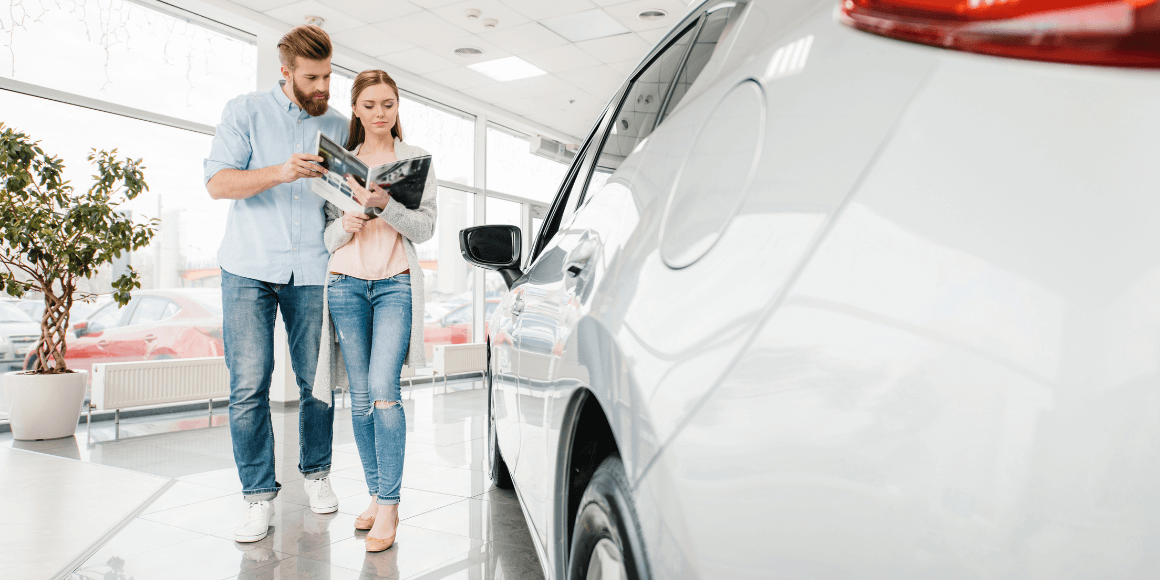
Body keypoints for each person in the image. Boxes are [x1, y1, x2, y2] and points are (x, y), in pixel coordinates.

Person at [203, 25, 349, 543]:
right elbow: (219, 182)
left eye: (328, 75)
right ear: (285, 73)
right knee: (249, 384)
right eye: (312, 78)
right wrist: (280, 172)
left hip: (313, 266)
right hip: (247, 267)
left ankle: (317, 474)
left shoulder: (337, 123)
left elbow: (347, 197)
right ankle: (258, 497)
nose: (322, 87)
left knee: (318, 382)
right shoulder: (245, 111)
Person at [311, 69, 437, 552]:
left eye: (388, 104)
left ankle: (390, 505)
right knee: (360, 397)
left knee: (386, 390)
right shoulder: (340, 163)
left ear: (398, 107)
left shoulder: (415, 161)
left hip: (394, 285)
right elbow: (327, 239)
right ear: (357, 109)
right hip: (345, 284)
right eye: (369, 105)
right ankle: (376, 497)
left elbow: (423, 231)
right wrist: (344, 222)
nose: (379, 113)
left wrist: (386, 206)